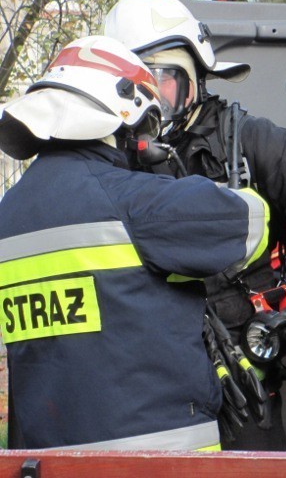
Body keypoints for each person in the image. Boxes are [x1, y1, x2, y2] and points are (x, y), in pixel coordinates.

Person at [103, 0, 286, 450]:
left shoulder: (248, 142)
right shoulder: (111, 165)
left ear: (195, 76)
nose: (149, 99)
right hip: (153, 385)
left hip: (250, 383)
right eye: (134, 84)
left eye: (161, 78)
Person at [0, 35, 271, 450]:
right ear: (123, 118)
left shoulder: (8, 216)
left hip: (46, 458)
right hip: (159, 459)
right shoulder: (135, 201)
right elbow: (248, 223)